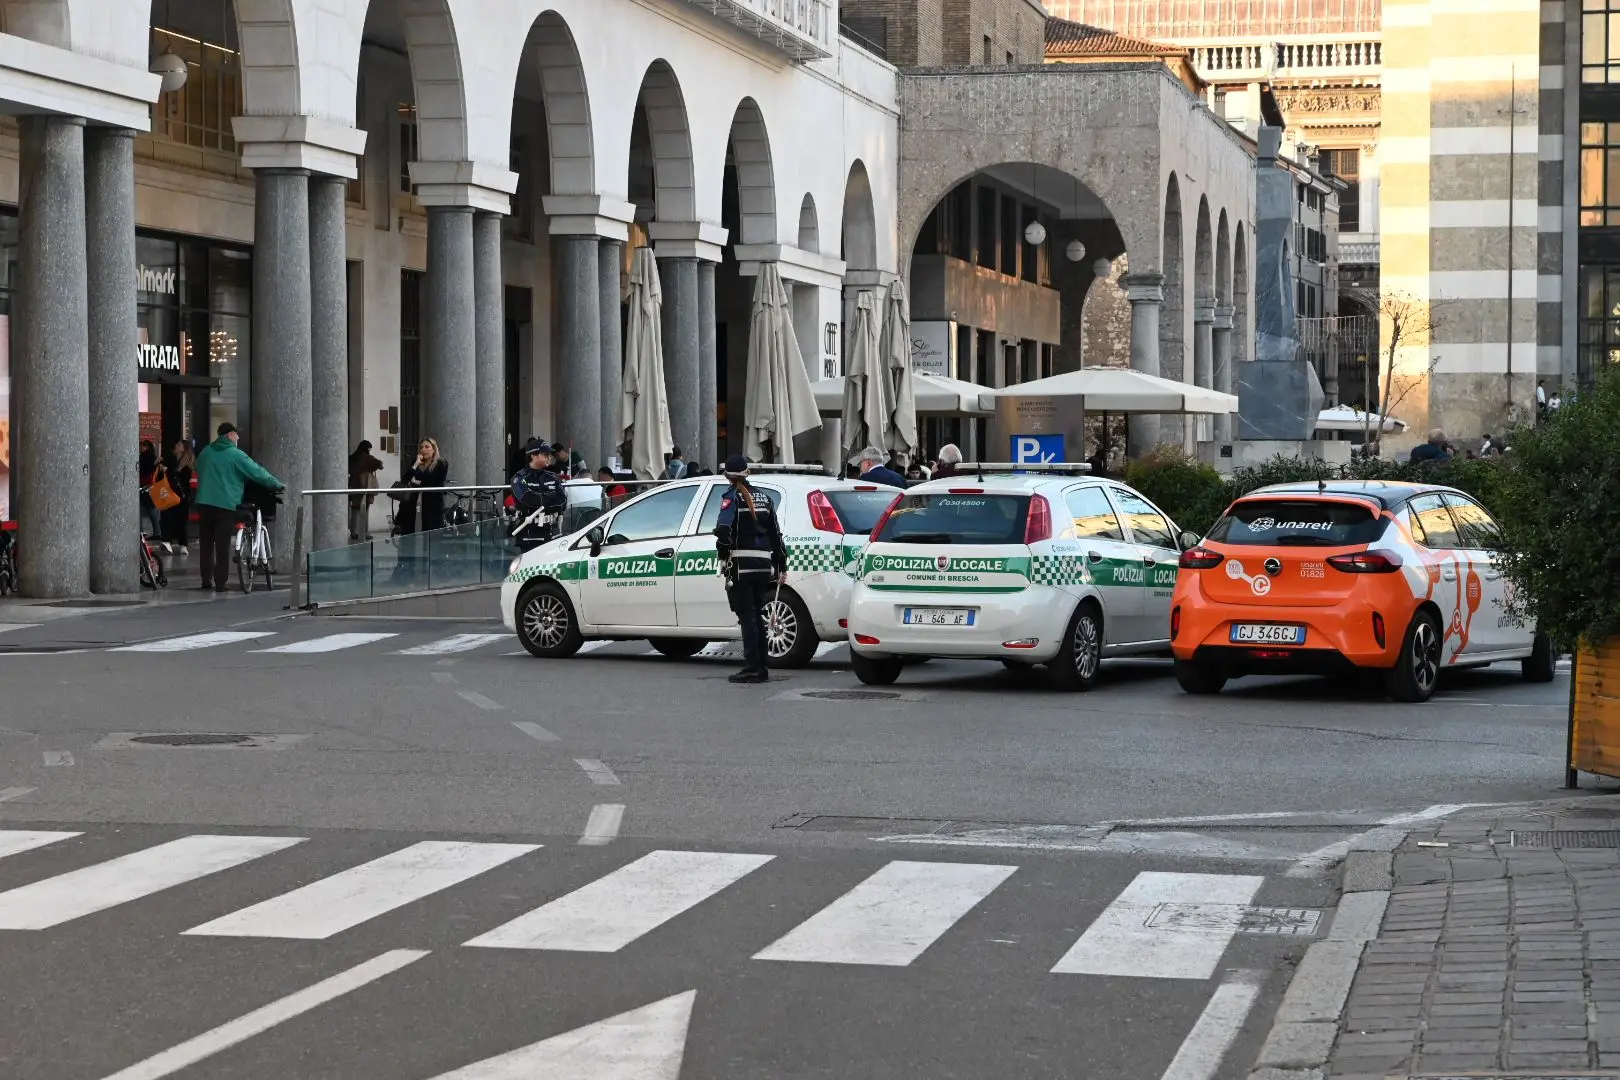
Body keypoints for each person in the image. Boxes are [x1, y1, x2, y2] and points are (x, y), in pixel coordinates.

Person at [714, 455, 787, 684]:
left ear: (727, 476)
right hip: (763, 566)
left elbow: (724, 530)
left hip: (741, 566)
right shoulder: (765, 498)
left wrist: (723, 554)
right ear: (748, 473)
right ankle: (761, 666)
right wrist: (781, 564)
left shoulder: (730, 497)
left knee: (747, 617)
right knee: (757, 615)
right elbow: (776, 535)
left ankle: (752, 667)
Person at [194, 423, 282, 593]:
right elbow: (257, 472)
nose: (238, 438)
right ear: (228, 435)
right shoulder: (236, 455)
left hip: (203, 503)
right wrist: (277, 484)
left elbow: (197, 467)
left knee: (206, 543)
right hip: (224, 504)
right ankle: (220, 583)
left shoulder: (205, 452)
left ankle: (206, 579)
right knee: (222, 544)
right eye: (236, 434)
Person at [511, 438, 567, 549]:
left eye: (549, 454)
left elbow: (563, 502)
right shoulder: (519, 478)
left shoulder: (553, 477)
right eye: (545, 454)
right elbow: (527, 500)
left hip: (552, 532)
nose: (549, 457)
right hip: (529, 533)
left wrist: (541, 500)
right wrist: (550, 497)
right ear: (533, 456)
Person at [398, 438, 449, 533]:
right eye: (421, 447)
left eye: (427, 447)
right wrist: (416, 464)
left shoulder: (441, 463)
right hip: (412, 503)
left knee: (431, 533)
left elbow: (433, 480)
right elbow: (405, 479)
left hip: (432, 504)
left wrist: (417, 478)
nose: (423, 450)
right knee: (409, 531)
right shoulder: (417, 461)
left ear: (434, 449)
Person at [163, 439, 196, 555]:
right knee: (167, 518)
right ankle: (167, 542)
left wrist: (171, 472)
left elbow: (184, 479)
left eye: (178, 445)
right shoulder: (170, 460)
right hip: (169, 494)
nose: (175, 447)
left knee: (181, 521)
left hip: (182, 496)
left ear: (183, 448)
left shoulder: (187, 464)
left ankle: (183, 544)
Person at [348, 440, 384, 542]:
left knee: (355, 509)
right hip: (364, 486)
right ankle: (362, 532)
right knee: (363, 509)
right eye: (369, 448)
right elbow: (379, 464)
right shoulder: (367, 458)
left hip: (353, 486)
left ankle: (353, 531)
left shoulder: (352, 457)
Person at [138, 441, 163, 544]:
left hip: (145, 486)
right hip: (152, 486)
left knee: (149, 509)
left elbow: (145, 470)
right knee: (152, 508)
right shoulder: (153, 457)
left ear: (146, 447)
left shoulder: (145, 457)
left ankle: (155, 532)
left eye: (141, 446)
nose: (139, 448)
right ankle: (157, 531)